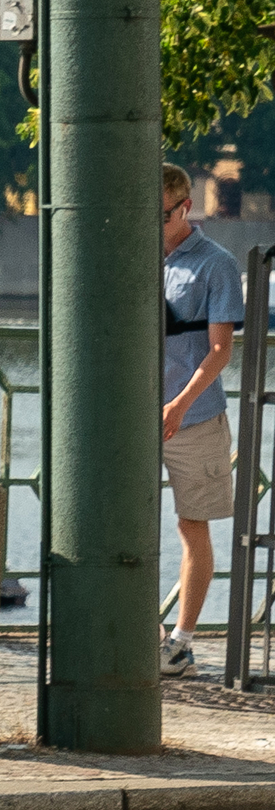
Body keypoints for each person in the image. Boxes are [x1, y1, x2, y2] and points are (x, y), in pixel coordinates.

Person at [160, 162, 246, 679]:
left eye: (162, 214)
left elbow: (219, 352)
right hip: (136, 413)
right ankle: (143, 631)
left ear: (184, 207)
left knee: (193, 526)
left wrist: (179, 406)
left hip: (193, 417)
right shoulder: (140, 255)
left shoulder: (217, 264)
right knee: (123, 523)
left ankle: (181, 645)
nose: (152, 223)